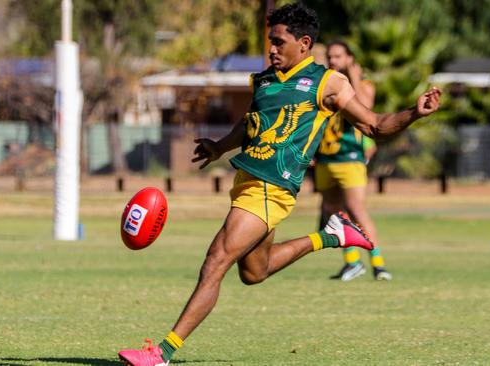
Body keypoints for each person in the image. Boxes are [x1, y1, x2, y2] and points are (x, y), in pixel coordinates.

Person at [117, 3, 441, 365]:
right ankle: (331, 236)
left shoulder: (327, 83)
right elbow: (251, 122)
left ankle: (161, 353)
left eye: (278, 41)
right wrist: (219, 147)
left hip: (272, 188)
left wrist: (414, 113)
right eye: (269, 41)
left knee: (215, 262)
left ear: (304, 43)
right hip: (246, 181)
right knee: (254, 272)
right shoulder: (264, 81)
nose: (271, 48)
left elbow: (375, 126)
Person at [315, 40, 392, 281]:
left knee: (357, 210)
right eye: (330, 56)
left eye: (338, 56)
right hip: (326, 159)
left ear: (350, 58)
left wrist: (354, 77)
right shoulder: (325, 84)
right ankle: (352, 263)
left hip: (350, 160)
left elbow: (366, 108)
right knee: (333, 212)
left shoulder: (362, 84)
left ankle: (379, 265)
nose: (333, 60)